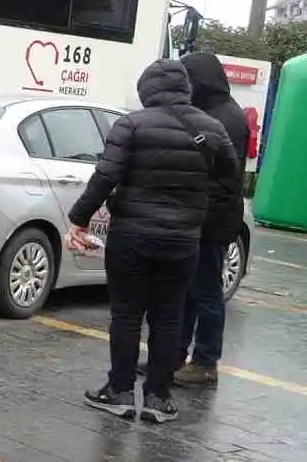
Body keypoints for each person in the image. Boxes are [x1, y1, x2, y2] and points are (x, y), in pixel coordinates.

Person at [67, 59, 237, 423]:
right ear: (185, 88)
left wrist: (78, 218)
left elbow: (106, 175)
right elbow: (229, 177)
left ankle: (120, 390)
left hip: (132, 236)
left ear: (147, 89)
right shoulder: (212, 129)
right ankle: (159, 398)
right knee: (169, 315)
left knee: (127, 314)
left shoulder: (131, 124)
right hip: (183, 240)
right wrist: (194, 202)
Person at [174, 52, 251, 387]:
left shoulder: (227, 119)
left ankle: (206, 362)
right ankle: (175, 355)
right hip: (201, 216)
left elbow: (223, 177)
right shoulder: (211, 112)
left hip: (214, 220)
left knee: (206, 292)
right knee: (188, 290)